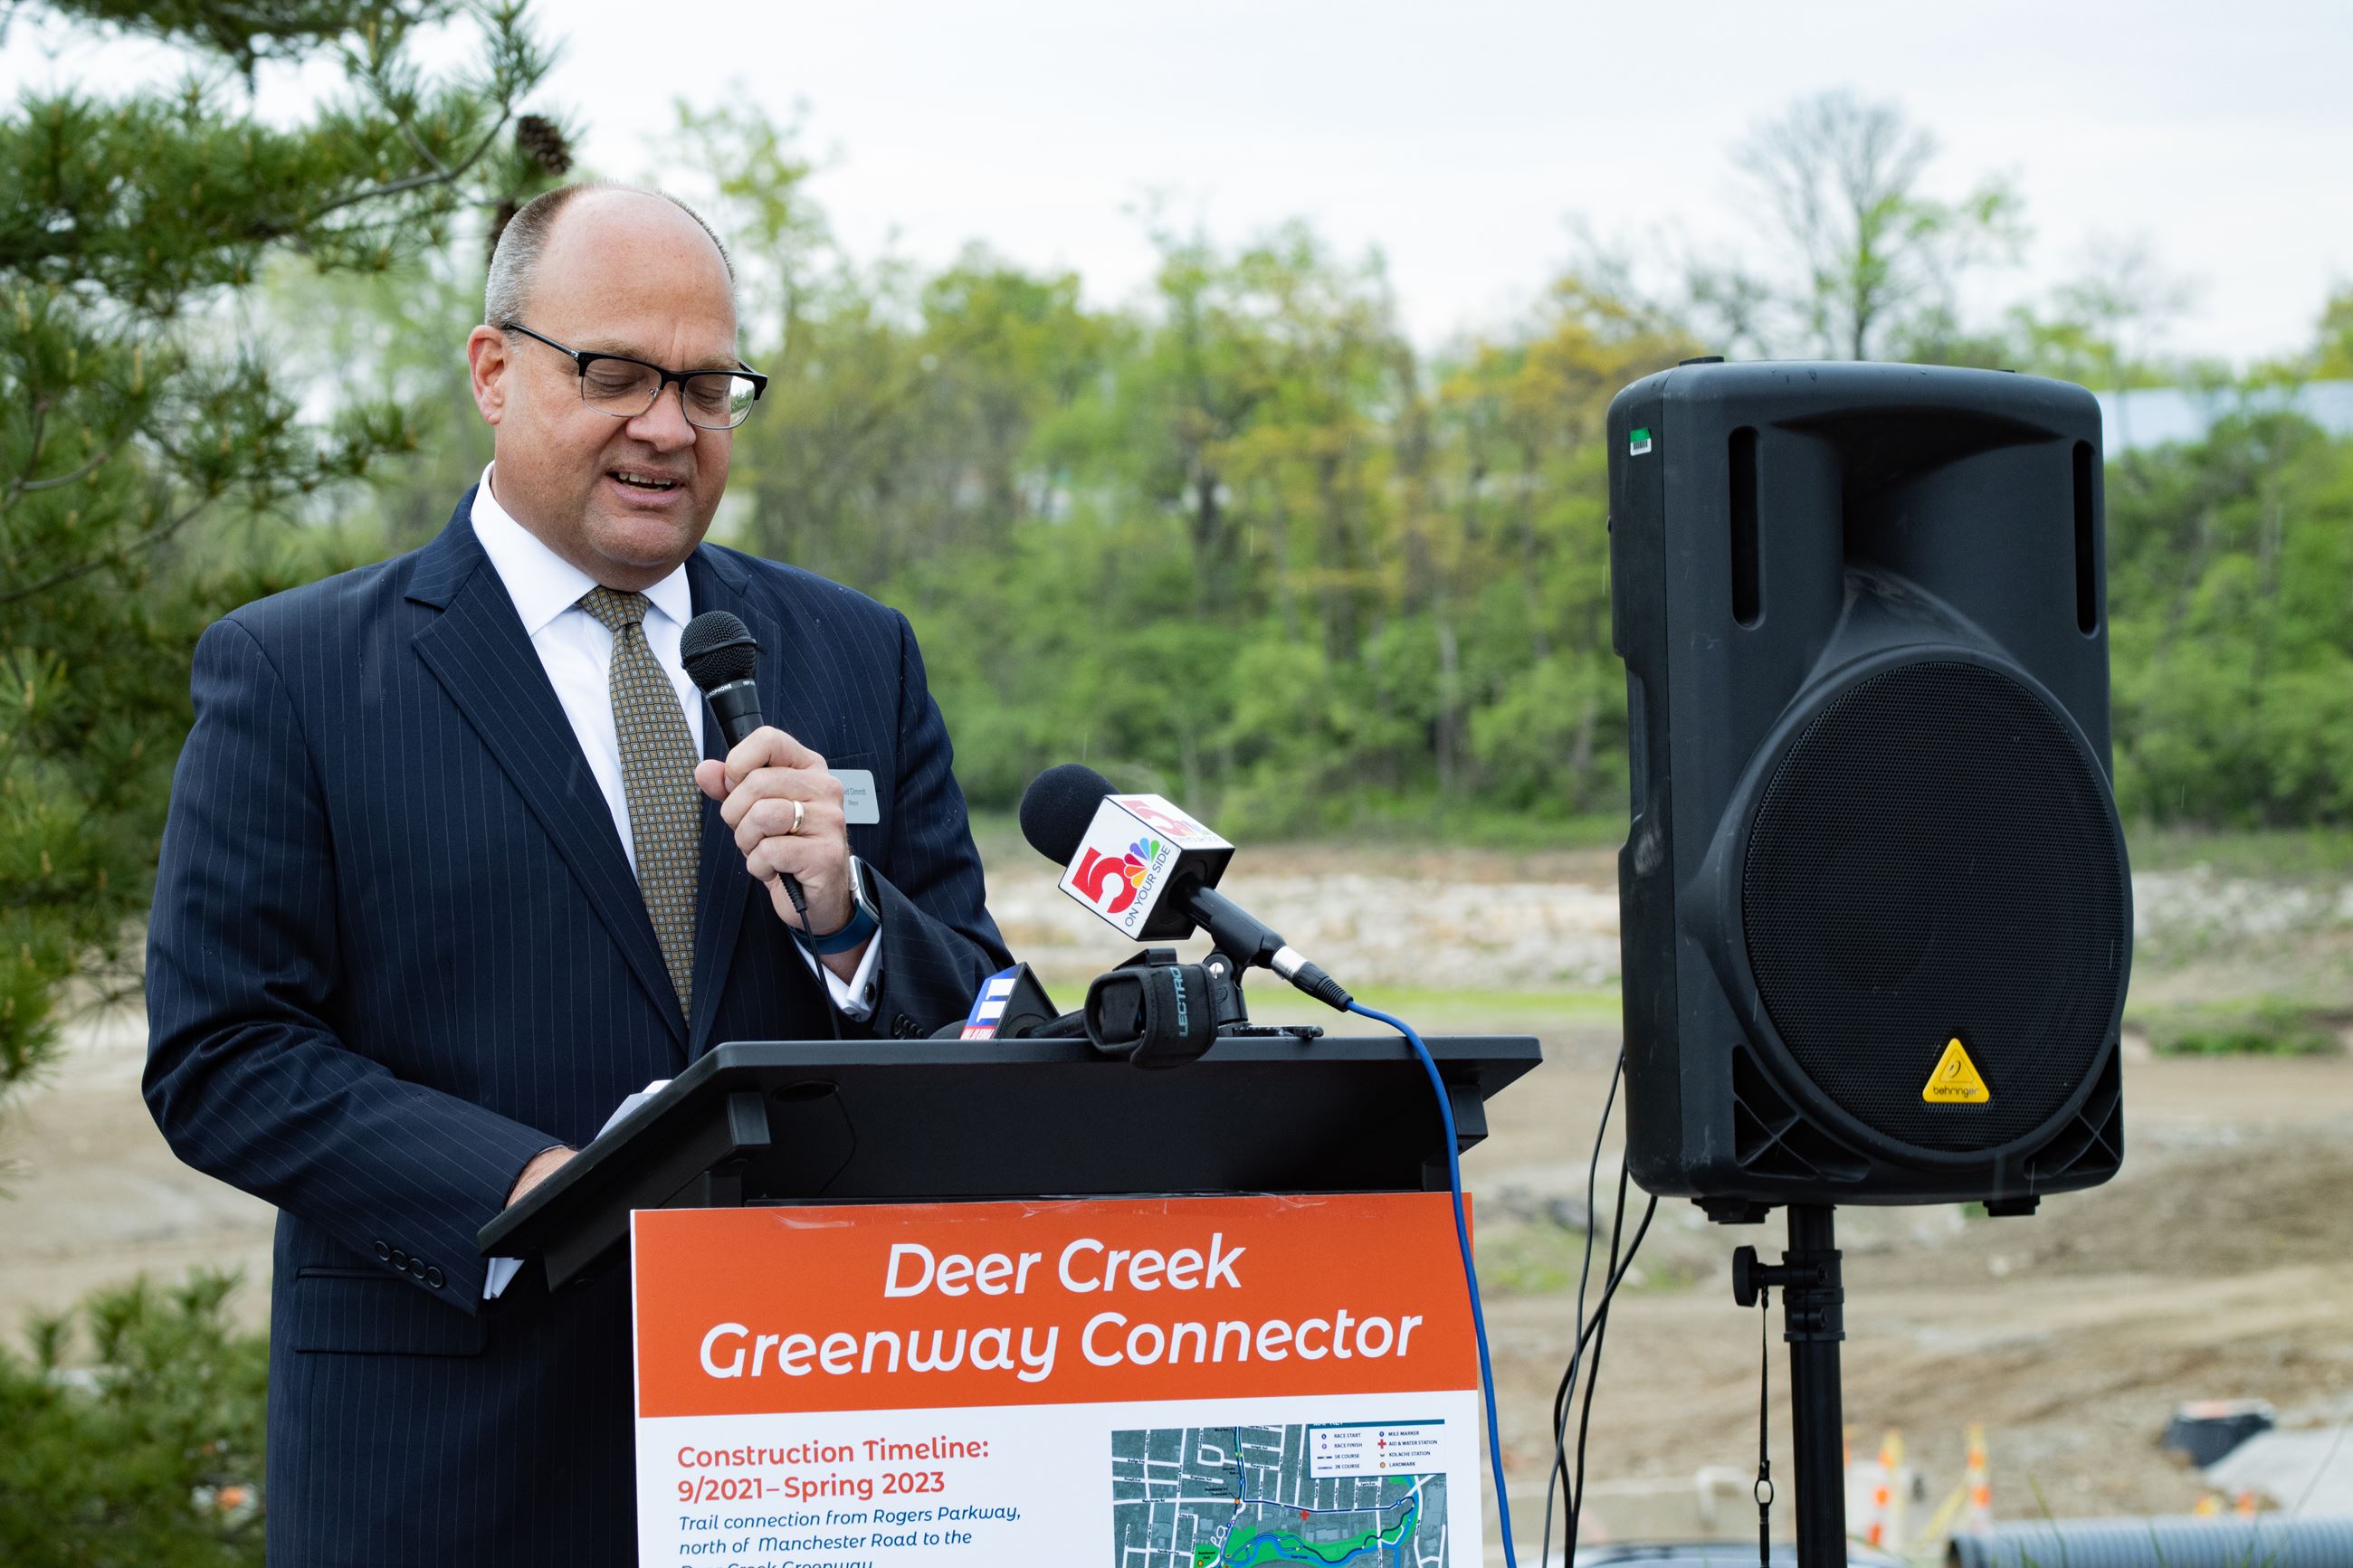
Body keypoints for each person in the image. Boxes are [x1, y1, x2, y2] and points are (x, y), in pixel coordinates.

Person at [142, 183, 1010, 1565]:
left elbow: (988, 1021)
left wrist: (852, 926)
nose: (666, 425)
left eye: (707, 385)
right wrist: (544, 1187)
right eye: (613, 373)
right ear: (496, 370)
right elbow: (223, 1053)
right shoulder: (296, 672)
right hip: (449, 1469)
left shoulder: (856, 651)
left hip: (815, 1462)